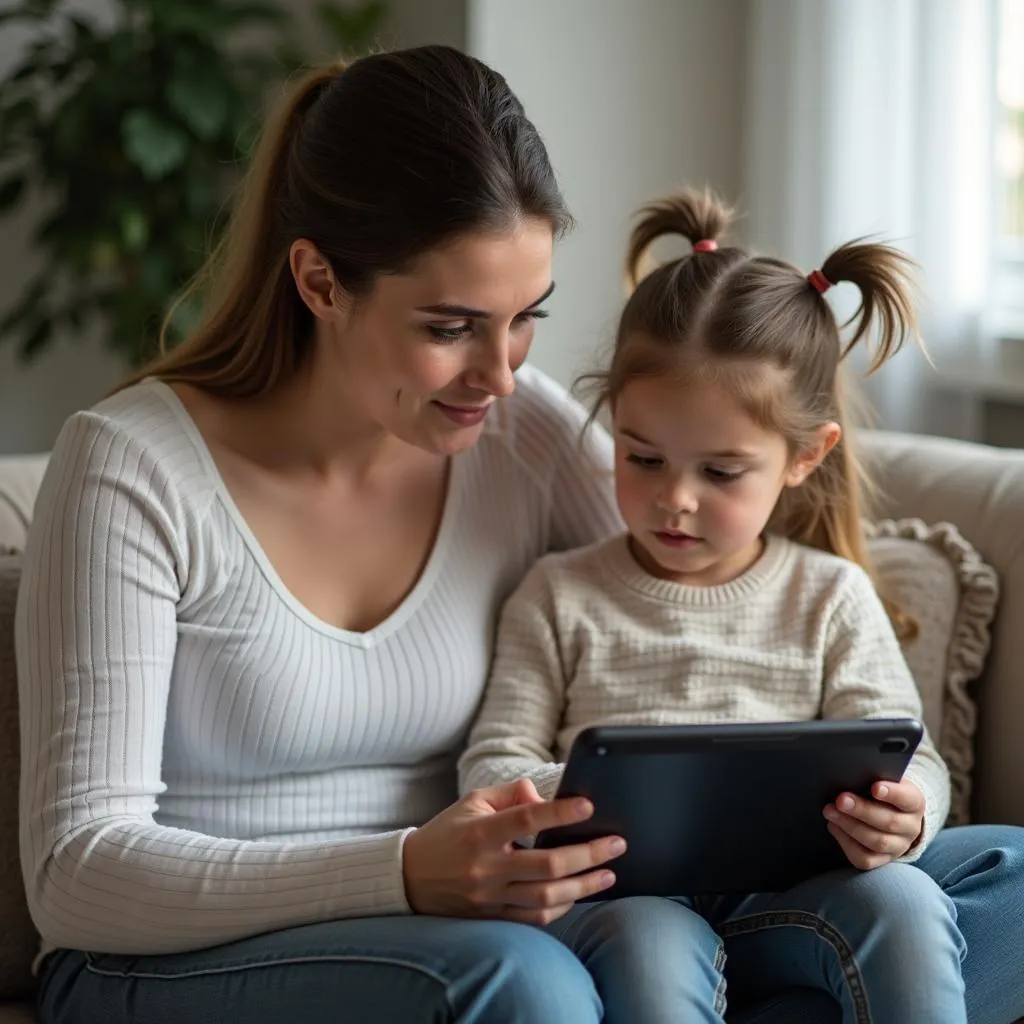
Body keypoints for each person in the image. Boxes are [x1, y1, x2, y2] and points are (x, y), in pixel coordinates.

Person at [13, 44, 1022, 1024]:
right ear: (320, 281)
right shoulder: (131, 467)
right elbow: (76, 875)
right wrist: (407, 869)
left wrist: (881, 806)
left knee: (1006, 878)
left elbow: (672, 593)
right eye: (450, 326)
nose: (499, 373)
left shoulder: (518, 433)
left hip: (490, 911)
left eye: (525, 316)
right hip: (181, 956)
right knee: (525, 985)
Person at [459, 189, 1024, 1024]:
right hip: (626, 898)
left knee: (920, 898)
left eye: (720, 473)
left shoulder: (829, 595)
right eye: (643, 457)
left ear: (804, 457)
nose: (674, 500)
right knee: (651, 952)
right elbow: (491, 761)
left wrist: (907, 817)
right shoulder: (559, 593)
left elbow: (912, 759)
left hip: (792, 900)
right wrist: (573, 793)